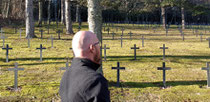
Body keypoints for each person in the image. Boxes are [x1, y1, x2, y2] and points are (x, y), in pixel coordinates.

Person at [59, 31, 110, 102]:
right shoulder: (96, 81)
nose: (100, 47)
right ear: (92, 48)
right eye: (98, 44)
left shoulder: (66, 75)